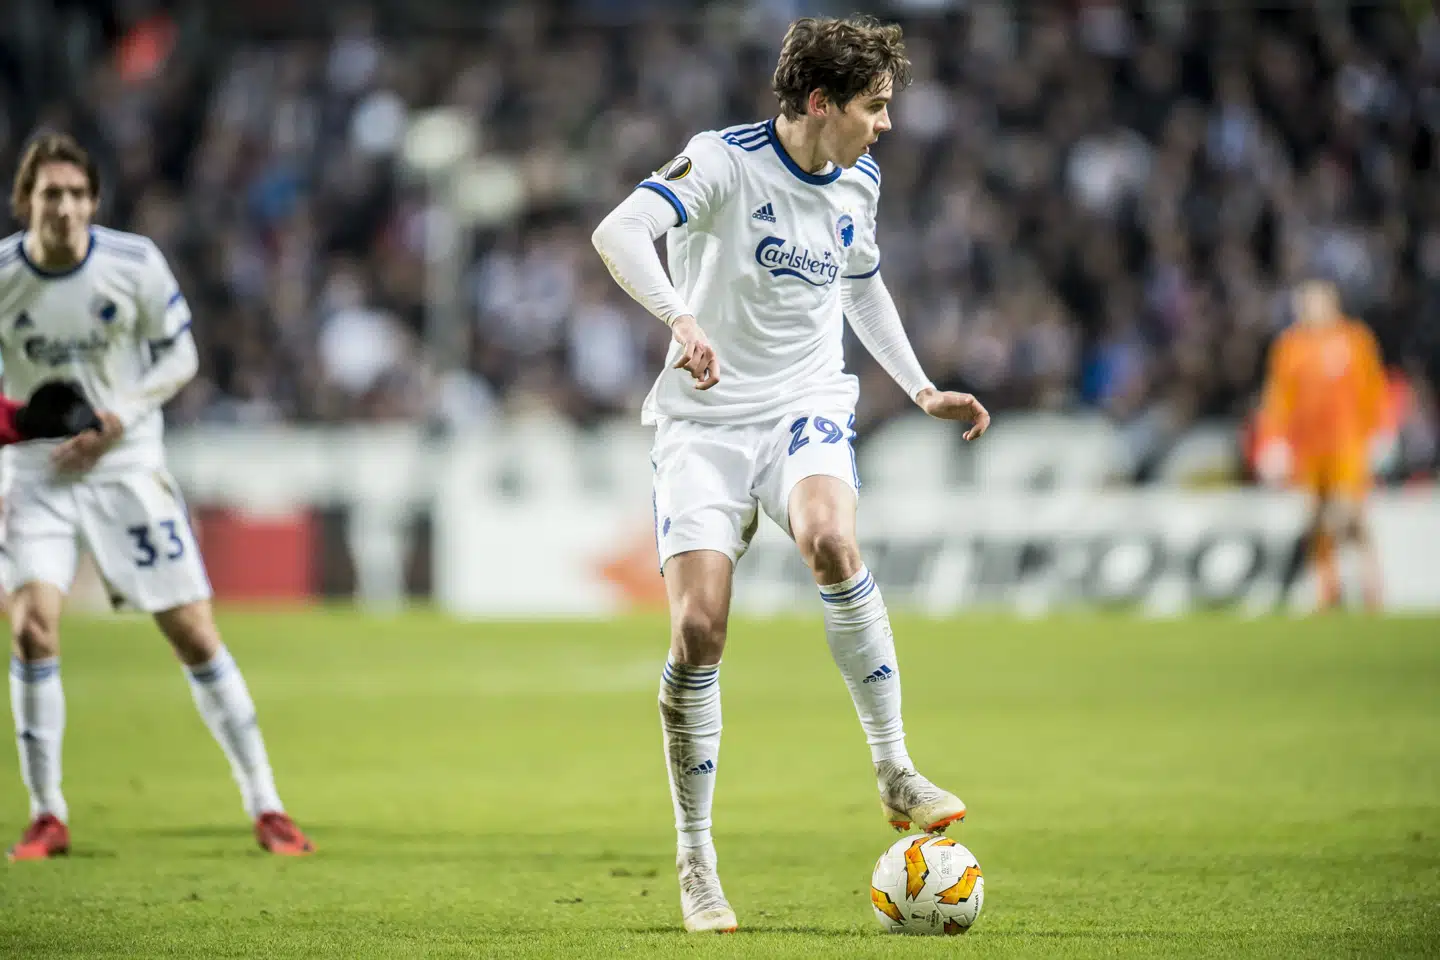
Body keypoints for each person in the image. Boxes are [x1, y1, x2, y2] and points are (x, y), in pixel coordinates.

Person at [591, 16, 990, 933]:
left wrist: (919, 387)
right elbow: (619, 232)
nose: (885, 124)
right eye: (874, 106)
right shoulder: (722, 162)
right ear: (820, 101)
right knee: (698, 630)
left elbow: (860, 282)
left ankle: (894, 766)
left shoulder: (860, 181)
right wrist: (680, 318)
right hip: (703, 423)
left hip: (804, 402)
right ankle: (697, 858)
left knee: (830, 539)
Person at [0, 133, 315, 861]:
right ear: (26, 203)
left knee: (194, 633)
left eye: (76, 194)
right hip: (37, 473)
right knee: (32, 630)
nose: (64, 208)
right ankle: (47, 814)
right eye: (50, 194)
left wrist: (120, 415)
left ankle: (266, 803)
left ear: (94, 201)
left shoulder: (133, 263)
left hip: (125, 465)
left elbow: (182, 354)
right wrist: (19, 423)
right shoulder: (5, 277)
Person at [1256, 279, 1388, 611]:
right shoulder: (1290, 346)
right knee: (1315, 519)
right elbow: (1278, 397)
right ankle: (1329, 589)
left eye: (1315, 301)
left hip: (1347, 442)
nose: (1309, 309)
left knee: (1347, 513)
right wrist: (1274, 441)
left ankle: (1370, 583)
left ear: (1333, 304)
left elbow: (1373, 388)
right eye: (1304, 303)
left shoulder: (1355, 339)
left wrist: (1380, 433)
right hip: (1307, 447)